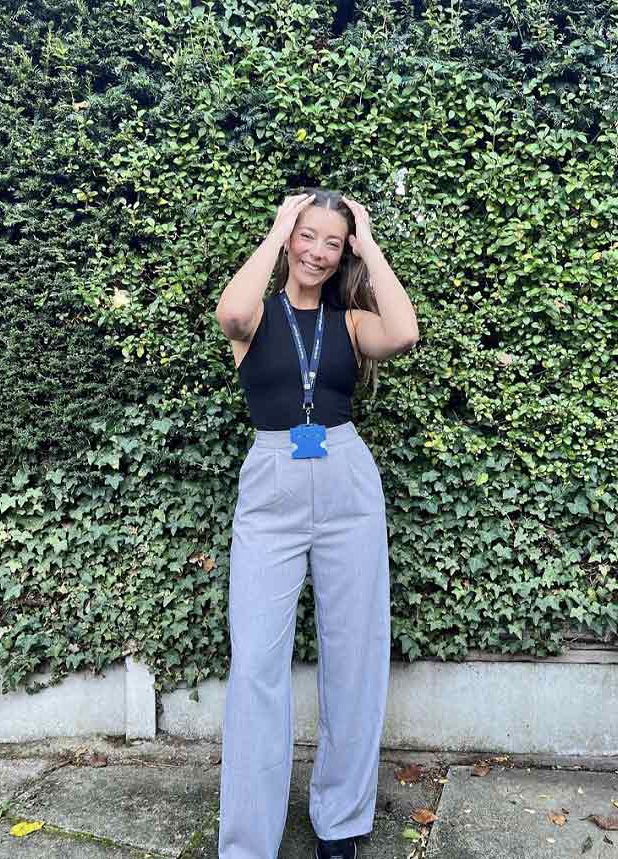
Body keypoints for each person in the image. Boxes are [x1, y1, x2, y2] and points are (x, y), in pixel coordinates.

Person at [215, 188, 419, 859]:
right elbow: (232, 309)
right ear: (290, 235)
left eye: (332, 241)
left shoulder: (352, 320)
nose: (318, 251)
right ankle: (248, 840)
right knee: (255, 665)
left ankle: (341, 821)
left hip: (346, 479)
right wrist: (277, 229)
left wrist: (369, 241)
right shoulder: (257, 319)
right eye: (310, 235)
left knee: (356, 656)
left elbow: (406, 331)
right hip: (271, 485)